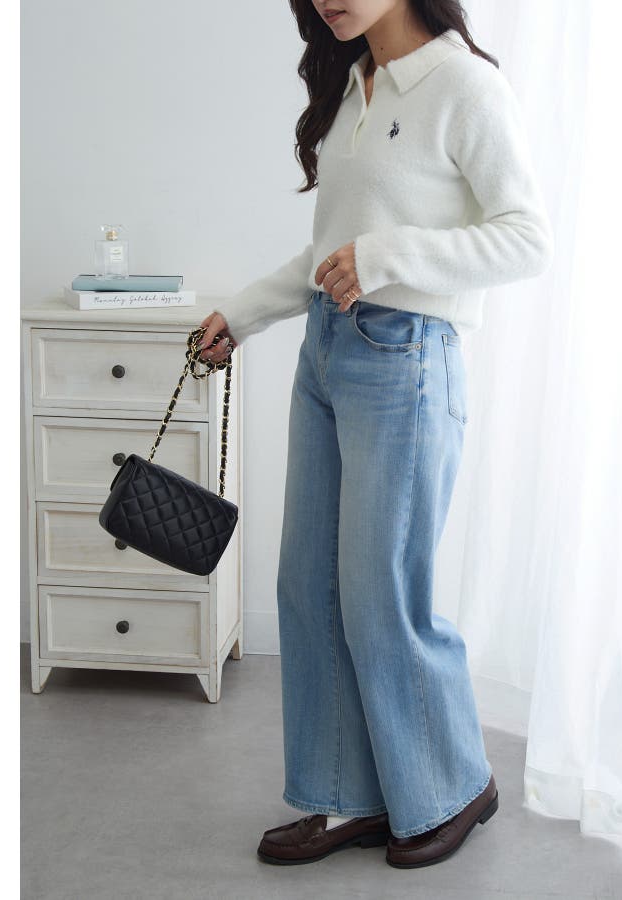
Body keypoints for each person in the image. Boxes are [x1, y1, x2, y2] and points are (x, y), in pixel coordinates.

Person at [198, 0, 553, 869]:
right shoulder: (354, 86)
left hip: (407, 358)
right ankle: (344, 795)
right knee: (307, 585)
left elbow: (526, 239)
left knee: (379, 591)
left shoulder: (464, 84)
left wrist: (387, 256)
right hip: (327, 352)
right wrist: (240, 315)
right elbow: (330, 253)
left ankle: (452, 786)